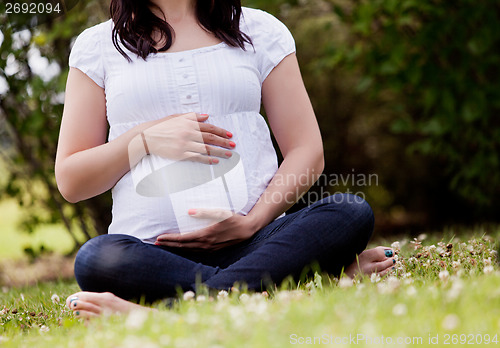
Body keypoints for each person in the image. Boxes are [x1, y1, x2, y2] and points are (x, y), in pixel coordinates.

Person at [56, 0, 396, 318]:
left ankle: (164, 311)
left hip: (257, 242)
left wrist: (253, 222)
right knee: (96, 259)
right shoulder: (98, 46)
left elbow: (307, 150)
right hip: (153, 254)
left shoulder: (261, 31)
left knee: (350, 211)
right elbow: (72, 179)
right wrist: (144, 139)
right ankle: (289, 284)